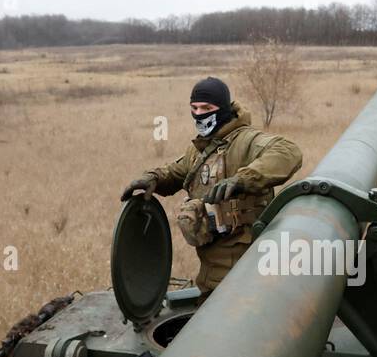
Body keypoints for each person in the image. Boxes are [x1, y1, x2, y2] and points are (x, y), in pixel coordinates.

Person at [120, 77, 302, 296]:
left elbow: (288, 151)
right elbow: (177, 171)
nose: (199, 114)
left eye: (207, 108)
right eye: (194, 108)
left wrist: (242, 179)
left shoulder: (245, 141)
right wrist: (154, 178)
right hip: (211, 273)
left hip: (246, 272)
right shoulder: (200, 149)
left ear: (223, 108)